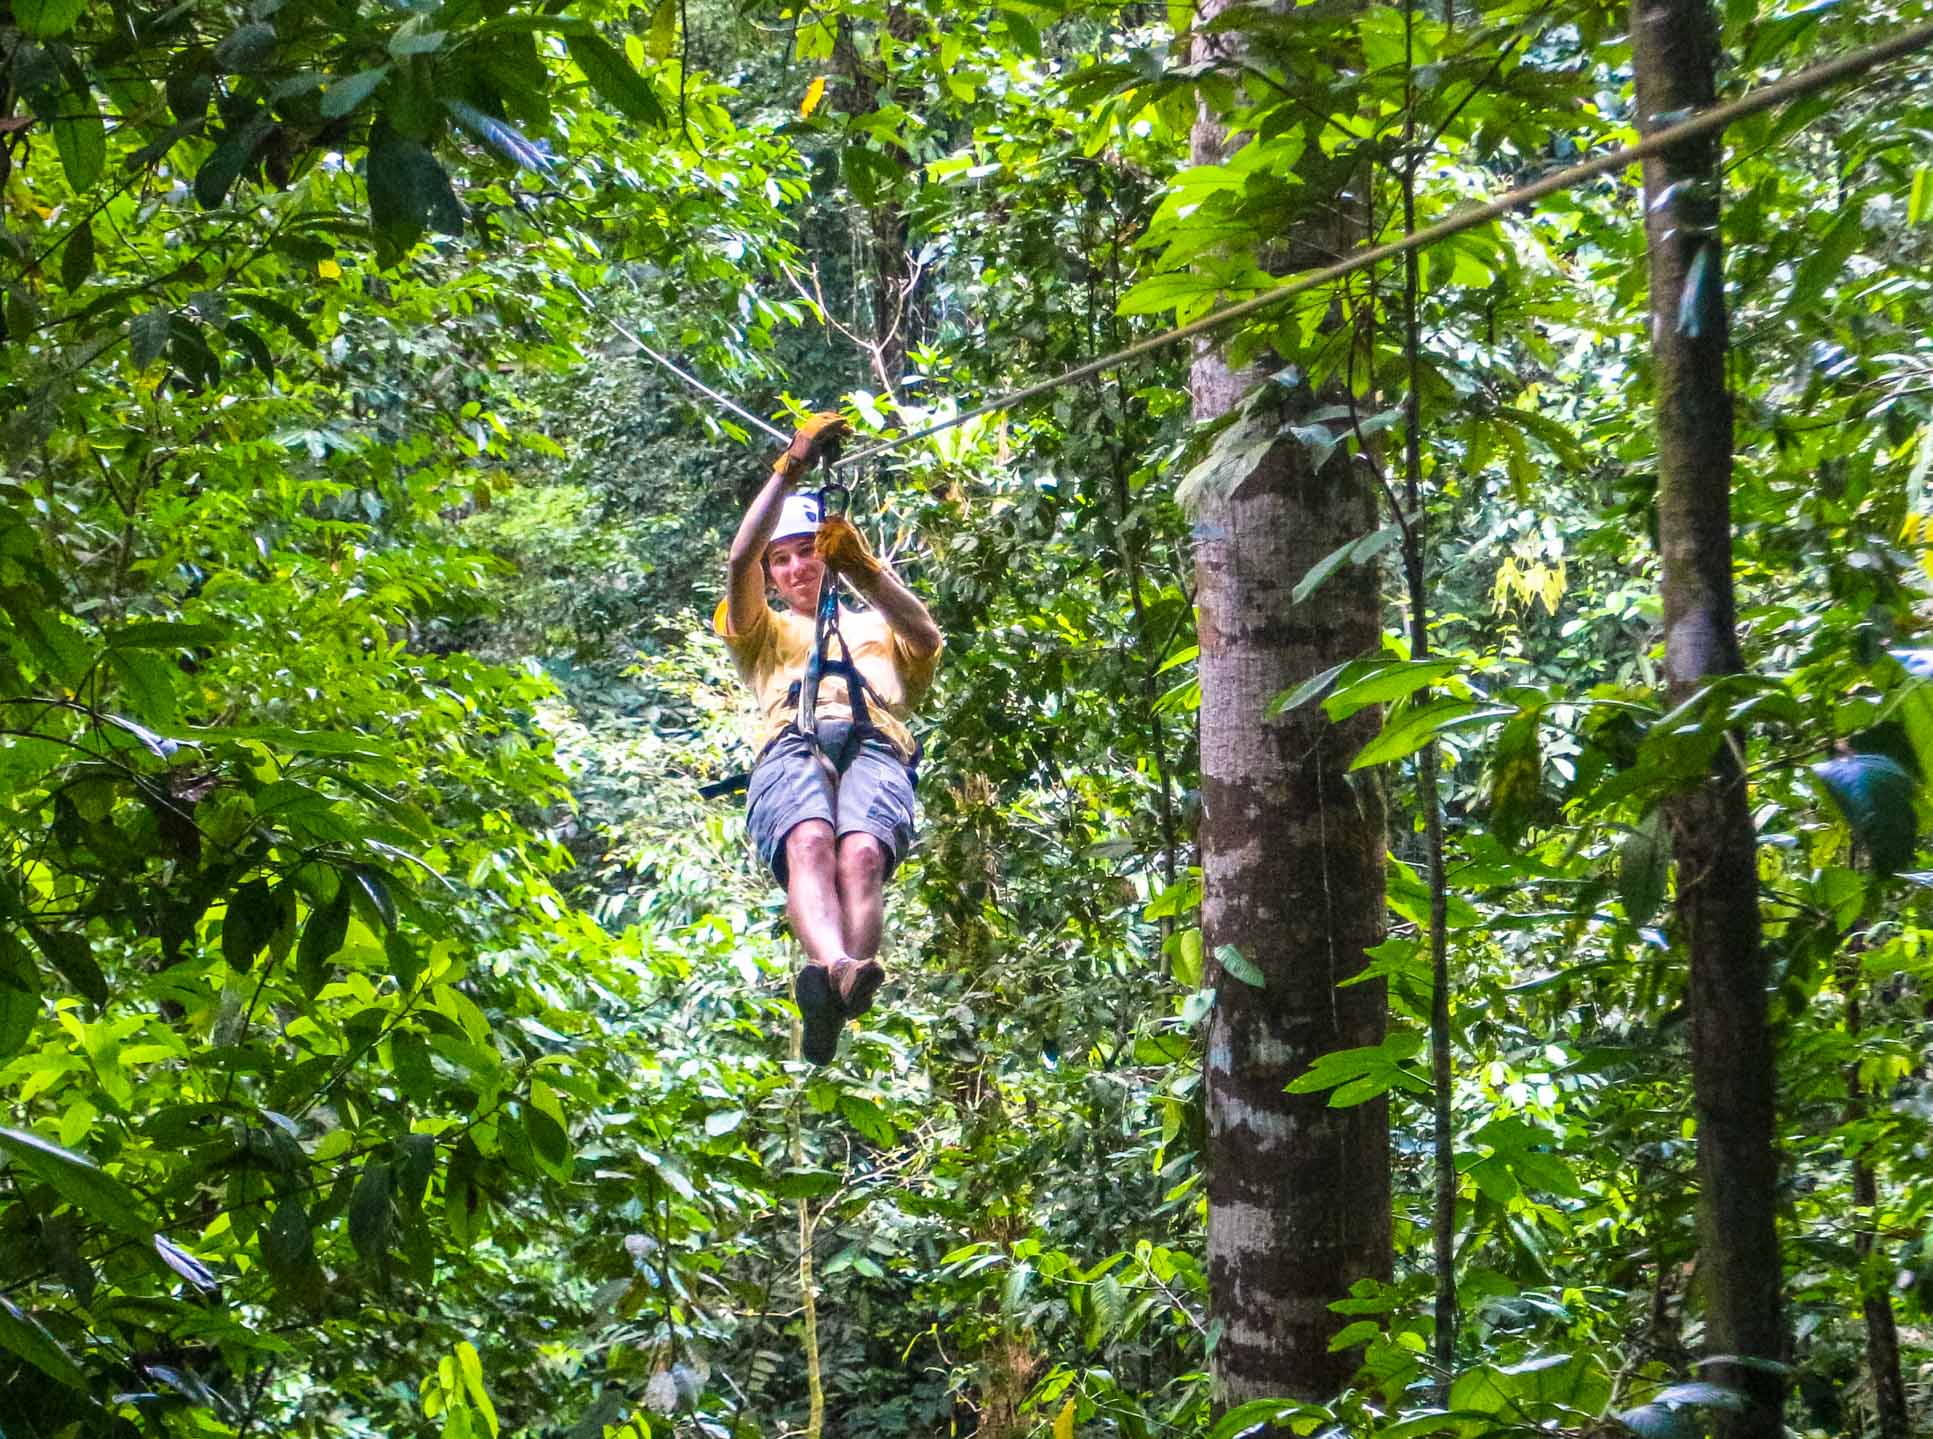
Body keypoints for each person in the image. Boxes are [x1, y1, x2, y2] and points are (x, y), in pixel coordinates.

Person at [713, 413, 943, 1065]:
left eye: (807, 552)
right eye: (781, 559)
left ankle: (836, 994)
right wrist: (792, 466)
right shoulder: (761, 633)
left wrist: (862, 569)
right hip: (793, 741)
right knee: (810, 840)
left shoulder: (878, 624)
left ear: (828, 555)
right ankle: (838, 969)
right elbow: (739, 559)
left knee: (862, 856)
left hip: (876, 743)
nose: (794, 568)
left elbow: (925, 637)